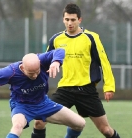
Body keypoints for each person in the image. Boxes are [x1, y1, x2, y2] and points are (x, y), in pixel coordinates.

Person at [32, 3, 120, 138]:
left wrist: (109, 86)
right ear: (63, 19)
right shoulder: (56, 39)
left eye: (73, 20)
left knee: (106, 130)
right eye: (67, 19)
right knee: (39, 121)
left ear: (80, 20)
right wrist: (35, 80)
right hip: (65, 90)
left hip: (87, 91)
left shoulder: (91, 37)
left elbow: (104, 62)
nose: (69, 23)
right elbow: (44, 63)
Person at [0, 49, 86, 138]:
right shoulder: (11, 72)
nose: (35, 76)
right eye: (31, 73)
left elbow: (60, 50)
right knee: (17, 126)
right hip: (21, 106)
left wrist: (56, 61)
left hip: (43, 103)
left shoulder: (43, 60)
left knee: (79, 123)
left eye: (37, 71)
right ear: (22, 68)